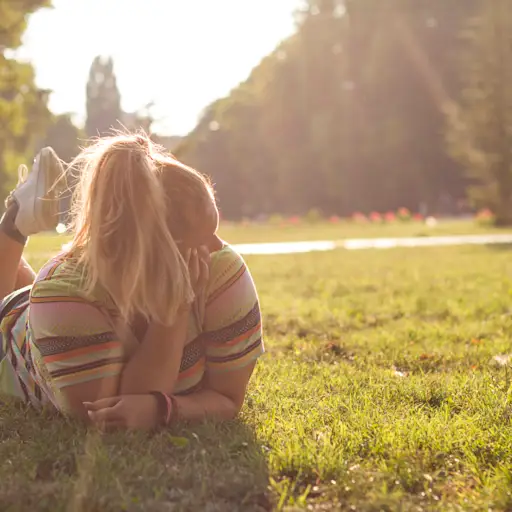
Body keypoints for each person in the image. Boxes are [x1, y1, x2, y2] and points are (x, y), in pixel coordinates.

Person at [0, 133, 264, 430]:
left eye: (213, 231)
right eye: (198, 240)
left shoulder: (223, 269)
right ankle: (14, 223)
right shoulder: (60, 295)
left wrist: (162, 410)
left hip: (70, 310)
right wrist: (174, 310)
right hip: (22, 339)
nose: (217, 247)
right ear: (155, 249)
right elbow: (108, 415)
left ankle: (18, 218)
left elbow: (227, 399)